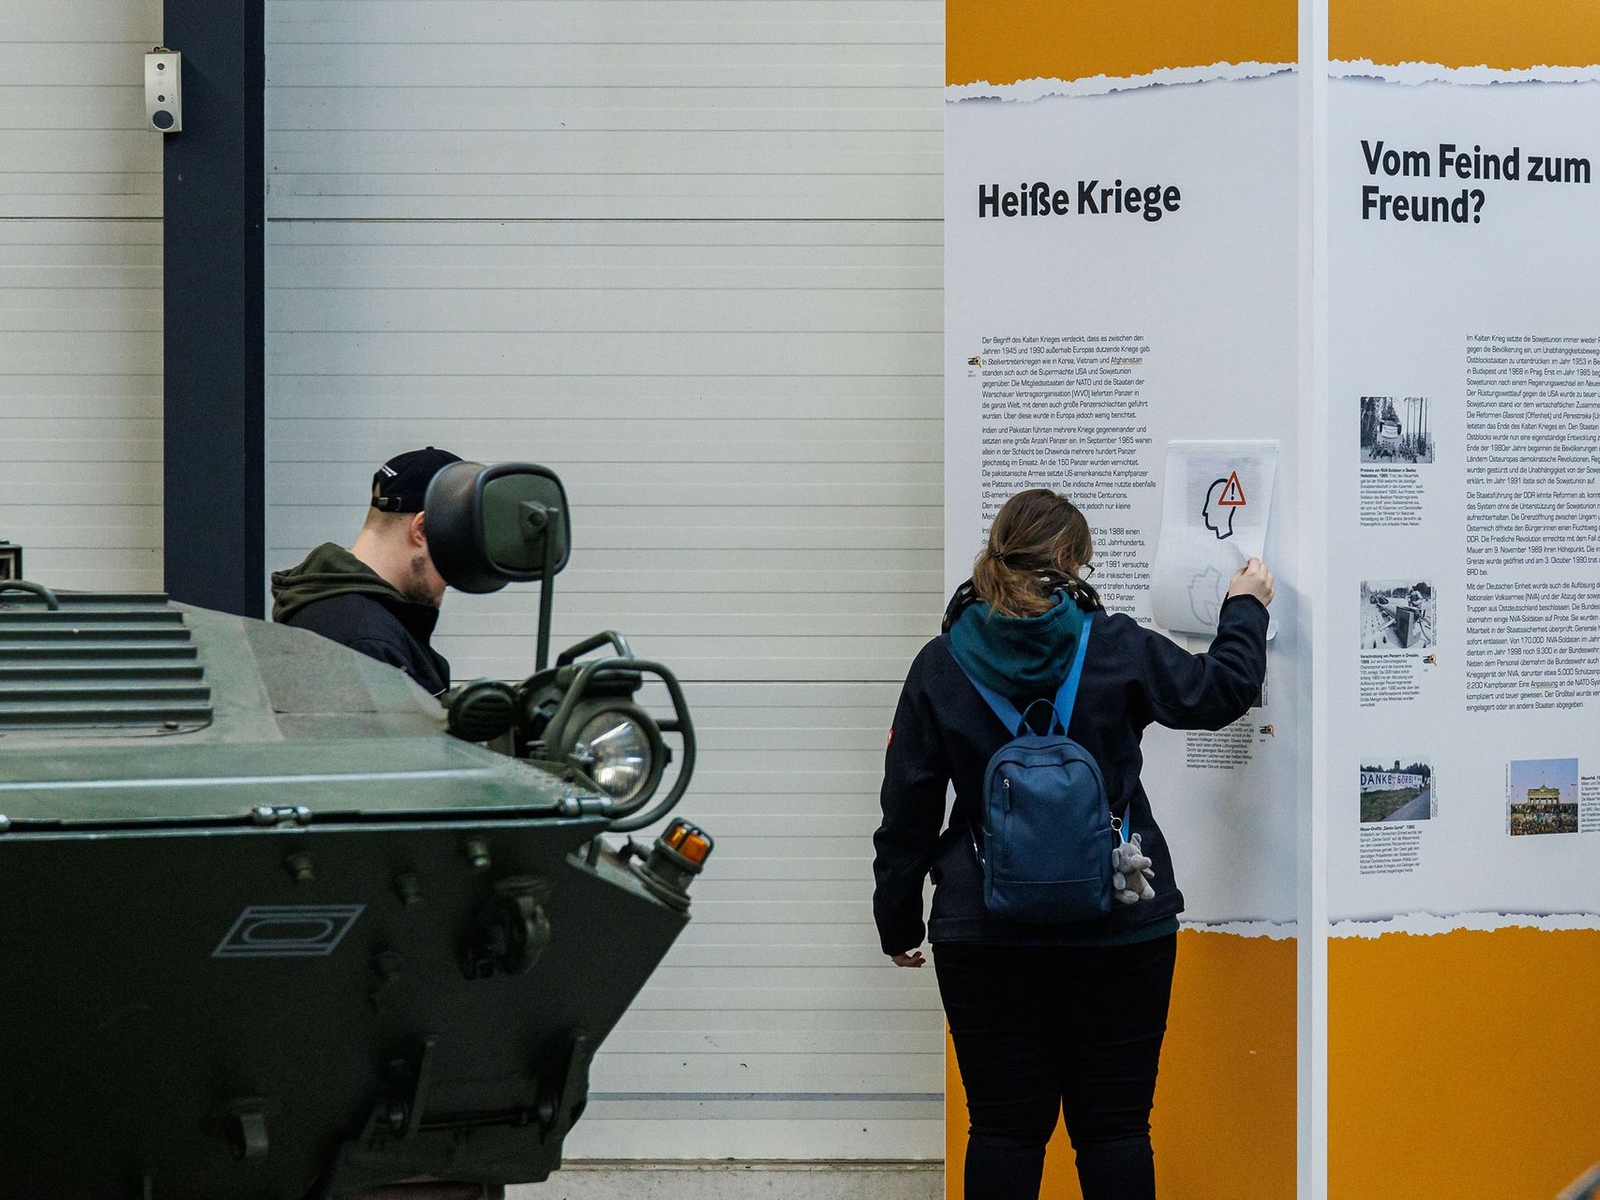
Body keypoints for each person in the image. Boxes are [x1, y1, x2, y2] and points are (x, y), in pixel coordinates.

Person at [872, 488, 1272, 1200]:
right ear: (1066, 559)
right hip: (1121, 920)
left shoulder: (940, 662)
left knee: (1003, 1129)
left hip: (983, 932)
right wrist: (1245, 608)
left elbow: (908, 807)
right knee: (1115, 1131)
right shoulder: (1116, 645)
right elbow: (1219, 692)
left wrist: (898, 919)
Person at [270, 446, 463, 696]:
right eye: (455, 549)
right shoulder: (367, 645)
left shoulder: (339, 610)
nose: (452, 577)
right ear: (422, 530)